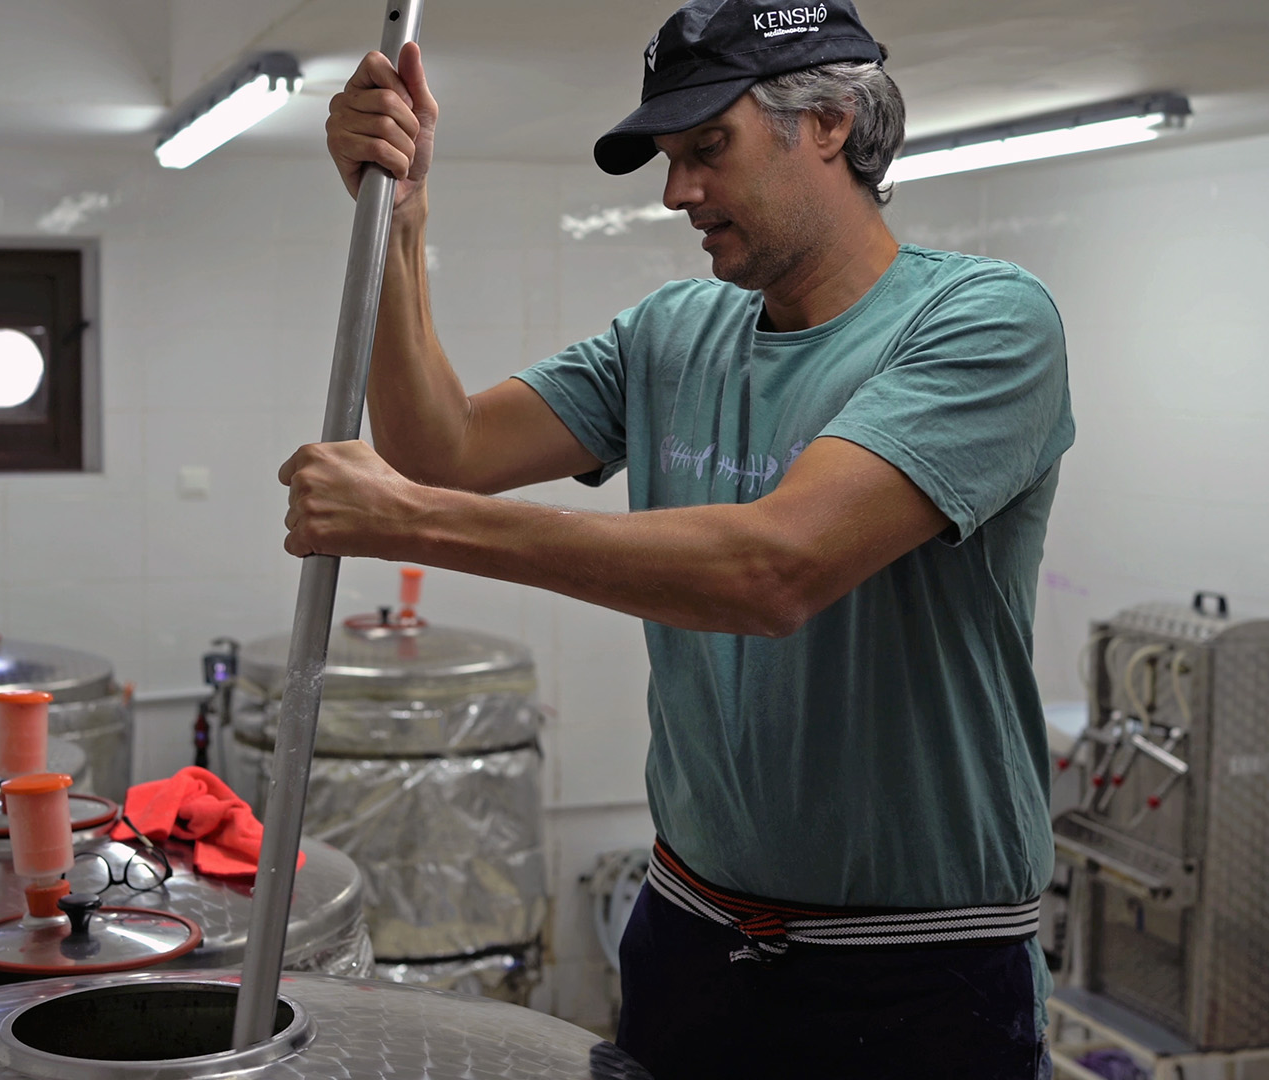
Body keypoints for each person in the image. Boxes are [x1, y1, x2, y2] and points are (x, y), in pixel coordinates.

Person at [287, 1, 1072, 1076]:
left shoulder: (982, 321)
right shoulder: (670, 333)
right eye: (667, 157)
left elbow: (775, 568)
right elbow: (442, 448)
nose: (677, 192)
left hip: (914, 967)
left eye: (709, 149)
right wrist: (401, 221)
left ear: (832, 122)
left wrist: (408, 523)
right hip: (689, 935)